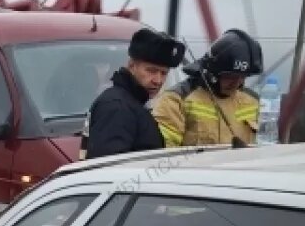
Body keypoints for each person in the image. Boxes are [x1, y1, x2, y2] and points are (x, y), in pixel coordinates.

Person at [81, 28, 185, 160]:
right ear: (131, 66)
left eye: (164, 73)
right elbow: (109, 171)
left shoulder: (131, 104)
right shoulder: (117, 107)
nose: (158, 80)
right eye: (151, 71)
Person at [153, 28, 263, 148]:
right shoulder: (176, 100)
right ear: (212, 73)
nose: (237, 83)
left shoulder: (252, 101)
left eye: (243, 77)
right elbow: (164, 153)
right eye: (230, 77)